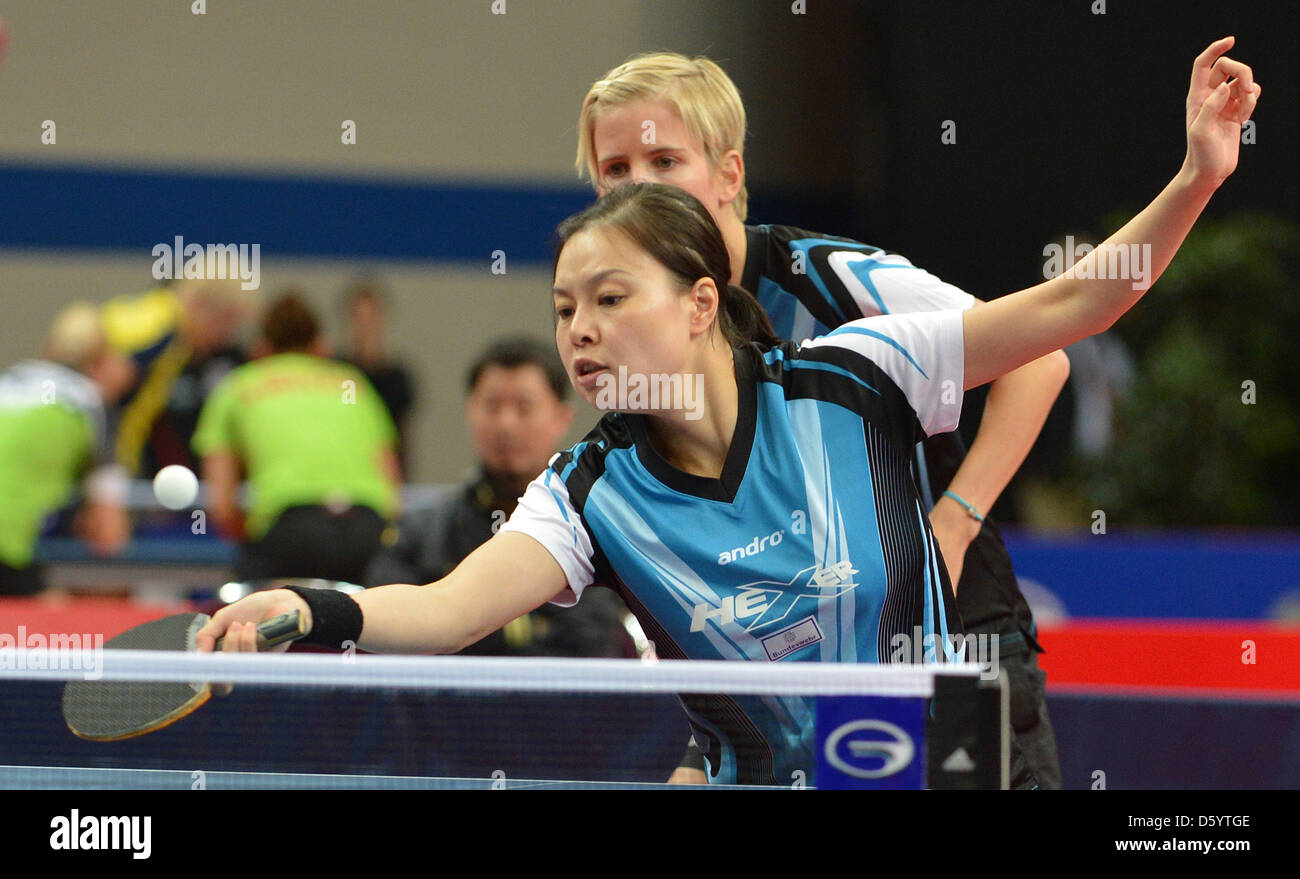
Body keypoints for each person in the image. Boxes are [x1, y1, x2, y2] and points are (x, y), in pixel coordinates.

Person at [199, 39, 1258, 785]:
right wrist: (305, 606)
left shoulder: (857, 366)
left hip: (936, 721)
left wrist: (1196, 177)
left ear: (702, 298)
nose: (579, 331)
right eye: (564, 309)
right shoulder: (585, 489)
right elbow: (441, 610)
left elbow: (1070, 313)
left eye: (610, 300)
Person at [573, 50, 1074, 788]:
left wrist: (954, 523)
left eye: (665, 159)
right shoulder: (630, 335)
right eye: (615, 169)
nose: (639, 184)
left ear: (730, 174)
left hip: (954, 640)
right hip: (795, 674)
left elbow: (1040, 361)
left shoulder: (831, 275)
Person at [364, 336, 631, 658]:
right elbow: (388, 636)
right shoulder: (420, 530)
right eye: (492, 406)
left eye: (524, 407)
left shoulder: (592, 533)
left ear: (562, 417)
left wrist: (456, 630)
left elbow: (588, 646)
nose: (506, 424)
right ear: (469, 411)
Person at [192, 292, 401, 584]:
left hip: (289, 533)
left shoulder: (237, 385)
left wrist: (251, 532)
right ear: (321, 348)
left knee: (244, 619)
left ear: (260, 349)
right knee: (376, 622)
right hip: (368, 531)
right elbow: (393, 494)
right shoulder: (353, 384)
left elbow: (222, 507)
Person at [0, 303, 133, 594]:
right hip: (8, 552)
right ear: (100, 361)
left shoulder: (9, 383)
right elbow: (110, 535)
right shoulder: (90, 404)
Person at [103, 277, 259, 479]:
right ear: (203, 304)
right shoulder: (158, 328)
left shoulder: (177, 341)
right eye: (226, 321)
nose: (226, 337)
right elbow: (104, 385)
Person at [338, 279, 416, 478]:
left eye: (371, 316)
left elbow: (400, 439)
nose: (365, 325)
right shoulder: (337, 372)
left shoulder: (398, 378)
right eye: (359, 317)